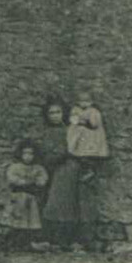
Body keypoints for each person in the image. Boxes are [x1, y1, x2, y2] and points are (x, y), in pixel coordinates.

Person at [39, 99, 85, 251]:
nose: (55, 116)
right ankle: (53, 240)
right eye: (51, 113)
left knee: (68, 204)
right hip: (53, 169)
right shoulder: (46, 133)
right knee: (52, 204)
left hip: (69, 169)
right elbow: (45, 154)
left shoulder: (70, 130)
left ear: (63, 113)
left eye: (58, 112)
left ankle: (70, 240)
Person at [3, 140, 48, 250]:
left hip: (32, 198)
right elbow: (12, 179)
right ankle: (13, 243)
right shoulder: (15, 167)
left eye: (31, 154)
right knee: (17, 219)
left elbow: (42, 180)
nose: (28, 157)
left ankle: (28, 243)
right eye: (25, 154)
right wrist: (25, 182)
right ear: (20, 154)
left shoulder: (38, 168)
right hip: (19, 197)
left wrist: (36, 183)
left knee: (31, 220)